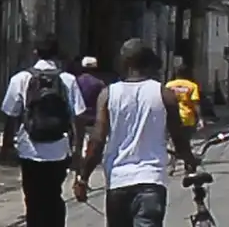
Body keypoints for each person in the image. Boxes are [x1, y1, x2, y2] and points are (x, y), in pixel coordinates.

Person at [76, 39, 198, 227]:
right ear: (148, 63)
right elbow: (179, 137)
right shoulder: (164, 94)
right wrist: (189, 160)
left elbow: (97, 140)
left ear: (123, 63)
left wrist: (83, 178)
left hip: (118, 181)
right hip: (151, 182)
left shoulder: (108, 94)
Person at [0, 38, 87, 227]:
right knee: (53, 195)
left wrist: (6, 145)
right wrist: (78, 150)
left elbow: (11, 116)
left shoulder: (20, 79)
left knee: (32, 199)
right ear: (57, 54)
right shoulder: (68, 80)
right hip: (58, 150)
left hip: (29, 150)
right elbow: (79, 117)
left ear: (35, 53)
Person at [75, 56, 109, 162]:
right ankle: (89, 159)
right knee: (92, 141)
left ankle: (77, 161)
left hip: (79, 116)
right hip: (94, 117)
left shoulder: (76, 81)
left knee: (78, 141)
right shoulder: (99, 83)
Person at [165, 57, 203, 133]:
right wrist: (200, 118)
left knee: (173, 139)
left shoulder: (168, 85)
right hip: (188, 118)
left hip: (172, 118)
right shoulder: (192, 86)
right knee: (186, 140)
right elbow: (196, 103)